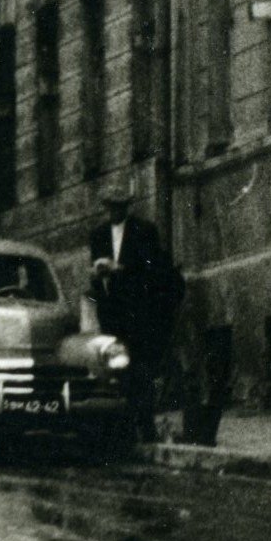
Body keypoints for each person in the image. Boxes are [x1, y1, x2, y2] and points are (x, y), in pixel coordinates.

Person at [88, 188, 181, 442]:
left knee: (140, 367)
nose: (116, 211)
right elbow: (94, 274)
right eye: (112, 207)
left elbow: (152, 268)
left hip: (137, 311)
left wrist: (121, 269)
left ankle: (146, 424)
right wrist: (98, 277)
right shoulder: (97, 235)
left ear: (127, 207)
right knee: (117, 367)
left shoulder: (144, 230)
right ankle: (125, 426)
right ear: (107, 208)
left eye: (120, 206)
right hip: (111, 311)